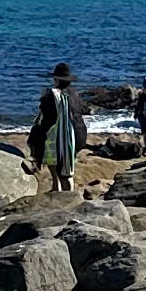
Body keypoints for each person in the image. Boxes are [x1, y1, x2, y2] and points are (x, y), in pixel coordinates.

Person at [33, 63, 90, 195]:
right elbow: (83, 110)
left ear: (57, 80)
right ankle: (57, 187)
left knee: (63, 169)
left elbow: (46, 118)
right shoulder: (74, 94)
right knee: (62, 163)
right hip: (79, 134)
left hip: (66, 136)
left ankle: (67, 195)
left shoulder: (52, 96)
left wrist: (37, 135)